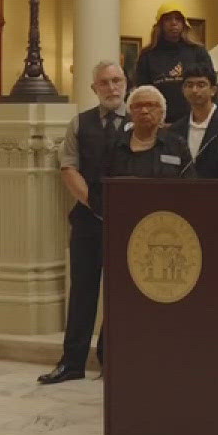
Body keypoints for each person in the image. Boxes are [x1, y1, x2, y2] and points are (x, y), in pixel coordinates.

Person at [42, 61, 131, 385]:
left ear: (126, 83)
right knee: (82, 292)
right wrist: (93, 204)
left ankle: (113, 359)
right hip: (87, 222)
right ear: (94, 88)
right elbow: (68, 168)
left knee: (121, 294)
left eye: (117, 80)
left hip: (128, 225)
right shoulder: (79, 124)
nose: (112, 88)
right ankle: (72, 362)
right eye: (105, 83)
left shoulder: (141, 121)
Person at [131, 1, 214, 124]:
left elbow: (210, 85)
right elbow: (143, 91)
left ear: (184, 24)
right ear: (160, 24)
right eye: (168, 19)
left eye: (178, 19)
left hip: (194, 121)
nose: (174, 23)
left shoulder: (198, 51)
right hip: (159, 122)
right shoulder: (148, 55)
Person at [169, 60, 218, 179]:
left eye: (201, 85)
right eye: (189, 85)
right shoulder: (175, 129)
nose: (195, 90)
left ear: (213, 90)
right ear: (183, 90)